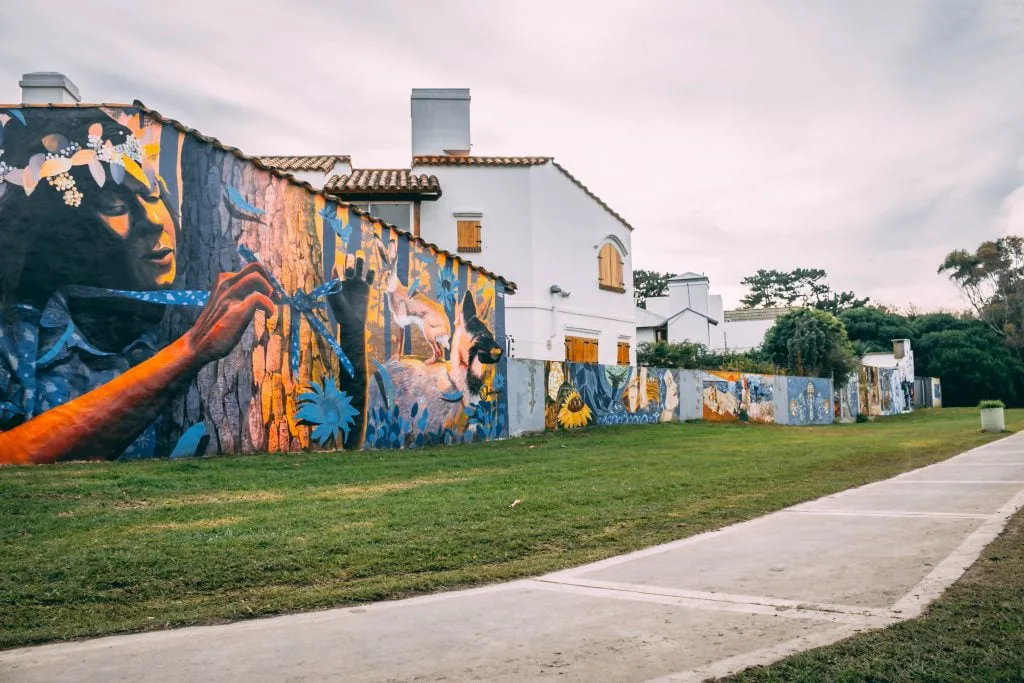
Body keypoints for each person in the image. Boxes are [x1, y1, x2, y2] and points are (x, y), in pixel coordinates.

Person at [0, 108, 275, 464]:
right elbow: (9, 456)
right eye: (115, 205)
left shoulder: (165, 325)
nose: (152, 222)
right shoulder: (19, 338)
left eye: (151, 195)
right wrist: (190, 350)